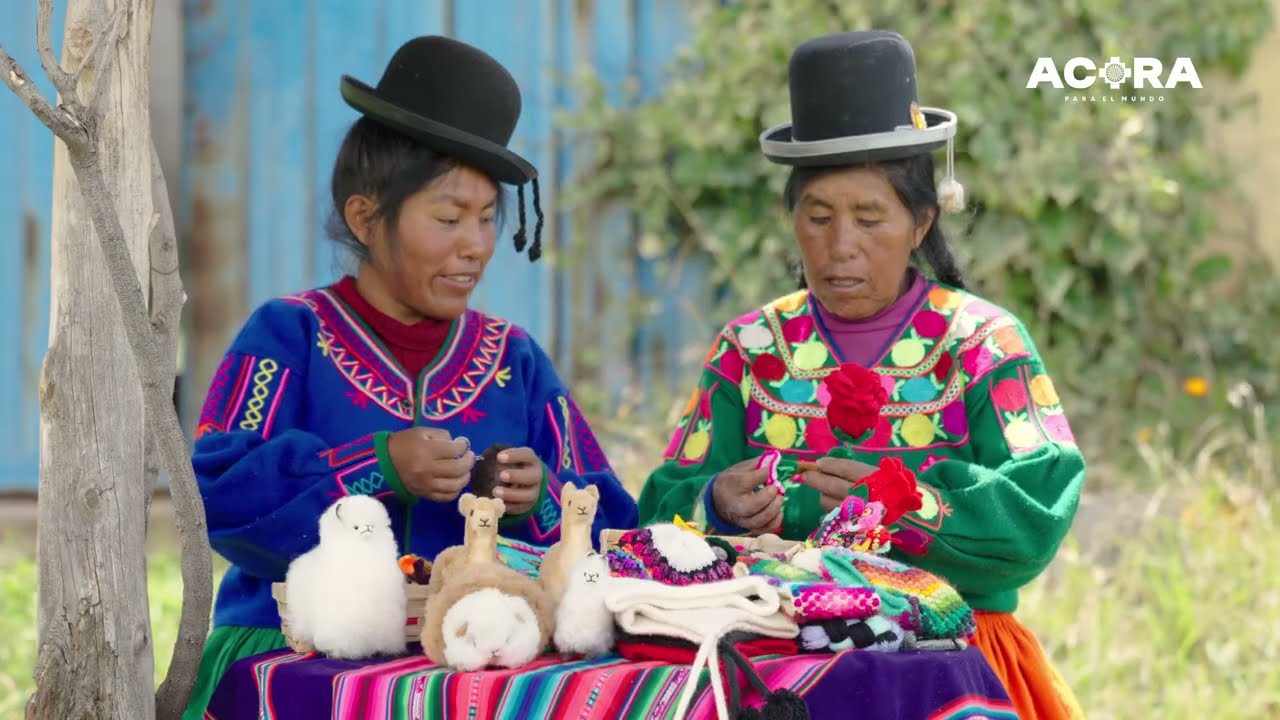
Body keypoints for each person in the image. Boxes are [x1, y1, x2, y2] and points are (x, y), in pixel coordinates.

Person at [183, 36, 638, 719]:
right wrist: (374, 467)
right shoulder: (288, 337)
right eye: (449, 217)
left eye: (488, 219)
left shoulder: (514, 359)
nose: (476, 245)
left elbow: (616, 530)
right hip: (296, 666)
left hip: (482, 672)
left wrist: (543, 497)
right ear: (367, 218)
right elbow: (215, 499)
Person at [638, 31, 1086, 720]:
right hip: (767, 672)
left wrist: (909, 504)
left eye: (869, 218)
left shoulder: (983, 344)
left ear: (921, 221)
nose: (840, 246)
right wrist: (719, 507)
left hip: (950, 670)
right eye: (818, 217)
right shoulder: (749, 348)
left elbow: (1037, 514)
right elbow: (661, 511)